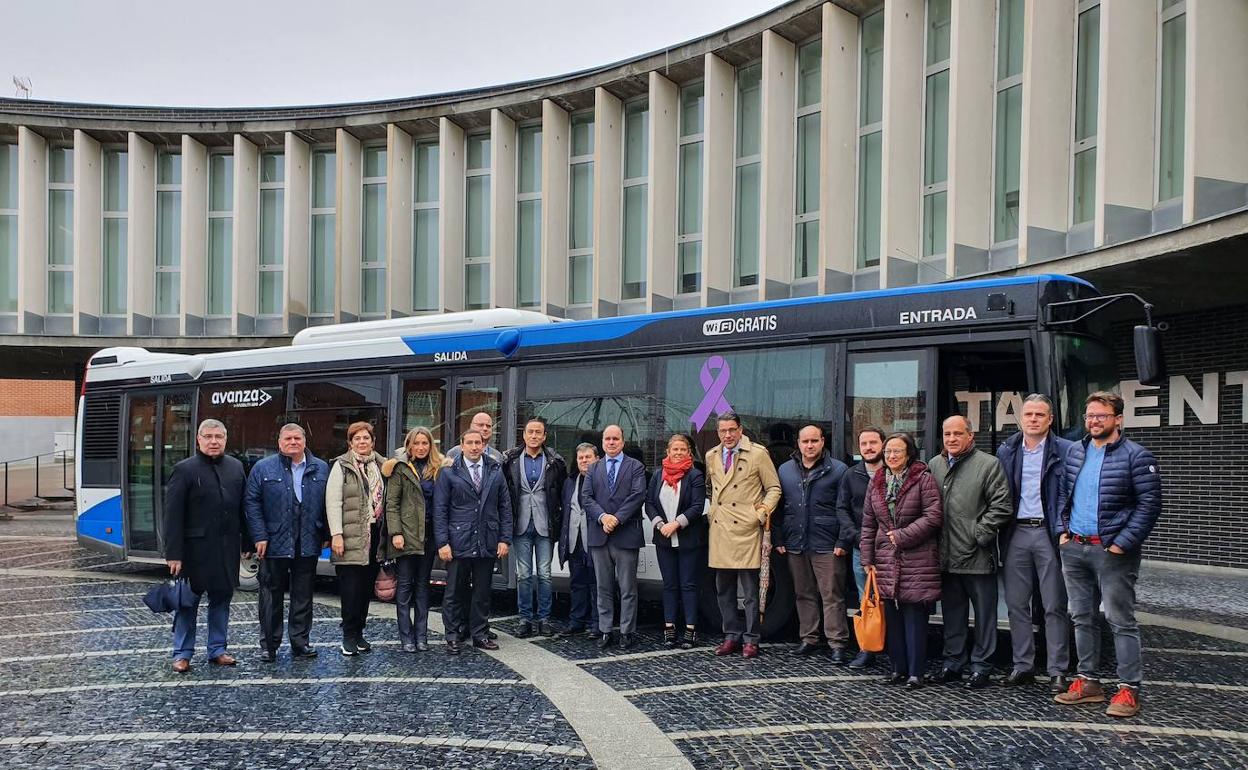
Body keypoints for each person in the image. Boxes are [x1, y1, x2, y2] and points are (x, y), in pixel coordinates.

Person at [1055, 391, 1161, 719]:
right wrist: (1062, 531)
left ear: (1118, 419)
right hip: (1074, 547)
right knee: (1081, 616)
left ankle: (1129, 688)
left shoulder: (1137, 456)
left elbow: (1150, 504)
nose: (1094, 421)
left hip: (1112, 550)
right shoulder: (1075, 452)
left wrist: (1122, 543)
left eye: (1101, 415)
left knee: (1120, 620)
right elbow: (1063, 493)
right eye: (1089, 416)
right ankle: (1088, 683)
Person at [996, 394, 1074, 692]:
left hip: (1048, 533)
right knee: (1017, 604)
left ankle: (1057, 669)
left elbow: (1071, 493)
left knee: (1054, 604)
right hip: (1016, 532)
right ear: (1021, 418)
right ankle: (1023, 665)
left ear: (1050, 419)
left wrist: (1064, 528)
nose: (1033, 419)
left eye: (1040, 415)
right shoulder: (1008, 450)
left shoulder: (1066, 451)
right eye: (1028, 414)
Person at [927, 415, 1012, 689]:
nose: (951, 438)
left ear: (970, 436)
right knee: (952, 614)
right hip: (945, 555)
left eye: (957, 433)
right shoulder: (935, 465)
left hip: (977, 555)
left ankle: (981, 666)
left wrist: (979, 535)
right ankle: (953, 663)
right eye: (947, 433)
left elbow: (1001, 506)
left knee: (985, 616)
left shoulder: (988, 465)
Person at [162, 418, 248, 673]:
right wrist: (174, 553)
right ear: (198, 439)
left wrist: (249, 540)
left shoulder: (235, 467)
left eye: (218, 437)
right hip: (193, 552)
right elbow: (173, 515)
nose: (213, 441)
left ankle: (217, 649)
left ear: (225, 439)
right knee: (187, 603)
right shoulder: (184, 469)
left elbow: (243, 508)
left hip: (227, 549)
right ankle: (182, 653)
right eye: (208, 436)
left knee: (222, 600)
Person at [860, 432, 943, 690]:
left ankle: (916, 672)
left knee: (915, 617)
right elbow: (868, 523)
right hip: (885, 557)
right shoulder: (877, 481)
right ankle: (898, 668)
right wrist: (867, 557)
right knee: (893, 619)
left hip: (917, 557)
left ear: (909, 454)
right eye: (888, 452)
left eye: (897, 451)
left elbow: (933, 516)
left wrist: (902, 536)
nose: (892, 456)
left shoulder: (923, 479)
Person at [244, 423, 329, 662]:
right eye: (288, 438)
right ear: (279, 442)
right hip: (273, 543)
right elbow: (251, 503)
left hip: (308, 541)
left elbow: (330, 504)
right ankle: (269, 645)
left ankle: (300, 643)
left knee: (303, 596)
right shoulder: (262, 468)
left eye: (297, 438)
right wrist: (259, 536)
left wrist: (327, 534)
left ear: (304, 441)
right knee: (270, 596)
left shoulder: (321, 468)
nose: (293, 442)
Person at [706, 413, 781, 659]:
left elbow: (774, 488)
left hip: (747, 529)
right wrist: (712, 511)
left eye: (731, 430)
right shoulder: (711, 455)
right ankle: (730, 636)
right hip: (721, 529)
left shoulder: (758, 454)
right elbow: (711, 488)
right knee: (723, 589)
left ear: (740, 430)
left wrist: (760, 514)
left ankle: (751, 639)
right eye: (722, 431)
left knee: (750, 591)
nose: (727, 435)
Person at [434, 429, 513, 655]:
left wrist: (504, 539)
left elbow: (505, 507)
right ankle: (453, 634)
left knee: (482, 592)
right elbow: (440, 510)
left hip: (487, 539)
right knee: (454, 591)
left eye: (478, 443)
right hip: (458, 539)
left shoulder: (495, 469)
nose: (474, 447)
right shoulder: (449, 472)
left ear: (483, 444)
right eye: (469, 443)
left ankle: (480, 633)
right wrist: (443, 543)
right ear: (461, 445)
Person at [776, 425, 850, 661]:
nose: (809, 445)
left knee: (832, 595)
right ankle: (809, 638)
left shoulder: (839, 470)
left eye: (814, 441)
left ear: (822, 441)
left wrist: (842, 540)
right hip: (795, 542)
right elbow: (779, 508)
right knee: (803, 593)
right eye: (805, 441)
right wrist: (779, 537)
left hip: (828, 543)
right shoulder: (785, 470)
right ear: (797, 443)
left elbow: (845, 509)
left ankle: (837, 643)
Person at [582, 424, 647, 649]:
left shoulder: (635, 466)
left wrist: (616, 519)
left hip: (626, 535)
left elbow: (637, 496)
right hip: (600, 536)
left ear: (623, 441)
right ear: (602, 442)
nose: (611, 442)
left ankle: (627, 631)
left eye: (615, 438)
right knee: (603, 587)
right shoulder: (594, 468)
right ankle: (605, 630)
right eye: (607, 439)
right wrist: (602, 517)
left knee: (628, 588)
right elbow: (586, 498)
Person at [502, 417, 568, 638]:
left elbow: (561, 493)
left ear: (544, 436)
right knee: (523, 574)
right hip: (520, 524)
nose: (534, 436)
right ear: (524, 434)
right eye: (530, 431)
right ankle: (525, 619)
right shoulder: (510, 459)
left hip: (545, 525)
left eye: (538, 432)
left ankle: (545, 618)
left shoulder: (554, 461)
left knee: (545, 574)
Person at [327, 421, 386, 657]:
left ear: (373, 441)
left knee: (364, 590)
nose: (362, 442)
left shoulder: (382, 465)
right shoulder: (341, 466)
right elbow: (333, 502)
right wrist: (336, 534)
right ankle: (348, 637)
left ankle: (360, 633)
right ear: (350, 443)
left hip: (374, 538)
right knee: (350, 591)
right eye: (357, 438)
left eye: (366, 438)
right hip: (349, 537)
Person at [382, 427, 442, 653]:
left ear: (430, 446)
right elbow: (392, 504)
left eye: (424, 443)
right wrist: (395, 532)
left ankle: (422, 636)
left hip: (428, 535)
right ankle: (406, 636)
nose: (420, 447)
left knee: (423, 587)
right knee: (405, 587)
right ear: (409, 445)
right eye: (416, 443)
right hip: (405, 536)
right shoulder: (400, 469)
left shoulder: (438, 469)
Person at [645, 433, 708, 649]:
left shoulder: (695, 476)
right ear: (668, 452)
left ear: (689, 452)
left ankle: (690, 629)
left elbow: (697, 506)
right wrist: (660, 524)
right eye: (675, 449)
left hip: (688, 539)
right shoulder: (657, 475)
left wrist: (677, 524)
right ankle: (669, 628)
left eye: (683, 449)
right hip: (664, 539)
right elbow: (649, 503)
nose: (679, 453)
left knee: (688, 585)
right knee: (669, 585)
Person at [837, 426, 886, 669]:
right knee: (864, 599)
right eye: (864, 443)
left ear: (883, 444)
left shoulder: (893, 472)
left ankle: (895, 648)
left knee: (892, 599)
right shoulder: (851, 475)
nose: (868, 448)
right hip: (861, 548)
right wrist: (857, 538)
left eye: (873, 443)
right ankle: (867, 649)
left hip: (891, 549)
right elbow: (842, 509)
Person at [559, 443, 600, 637]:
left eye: (588, 457)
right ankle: (577, 621)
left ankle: (596, 623)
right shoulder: (570, 482)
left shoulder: (602, 481)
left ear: (596, 459)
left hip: (595, 540)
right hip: (575, 540)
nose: (584, 461)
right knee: (577, 582)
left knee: (596, 583)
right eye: (581, 458)